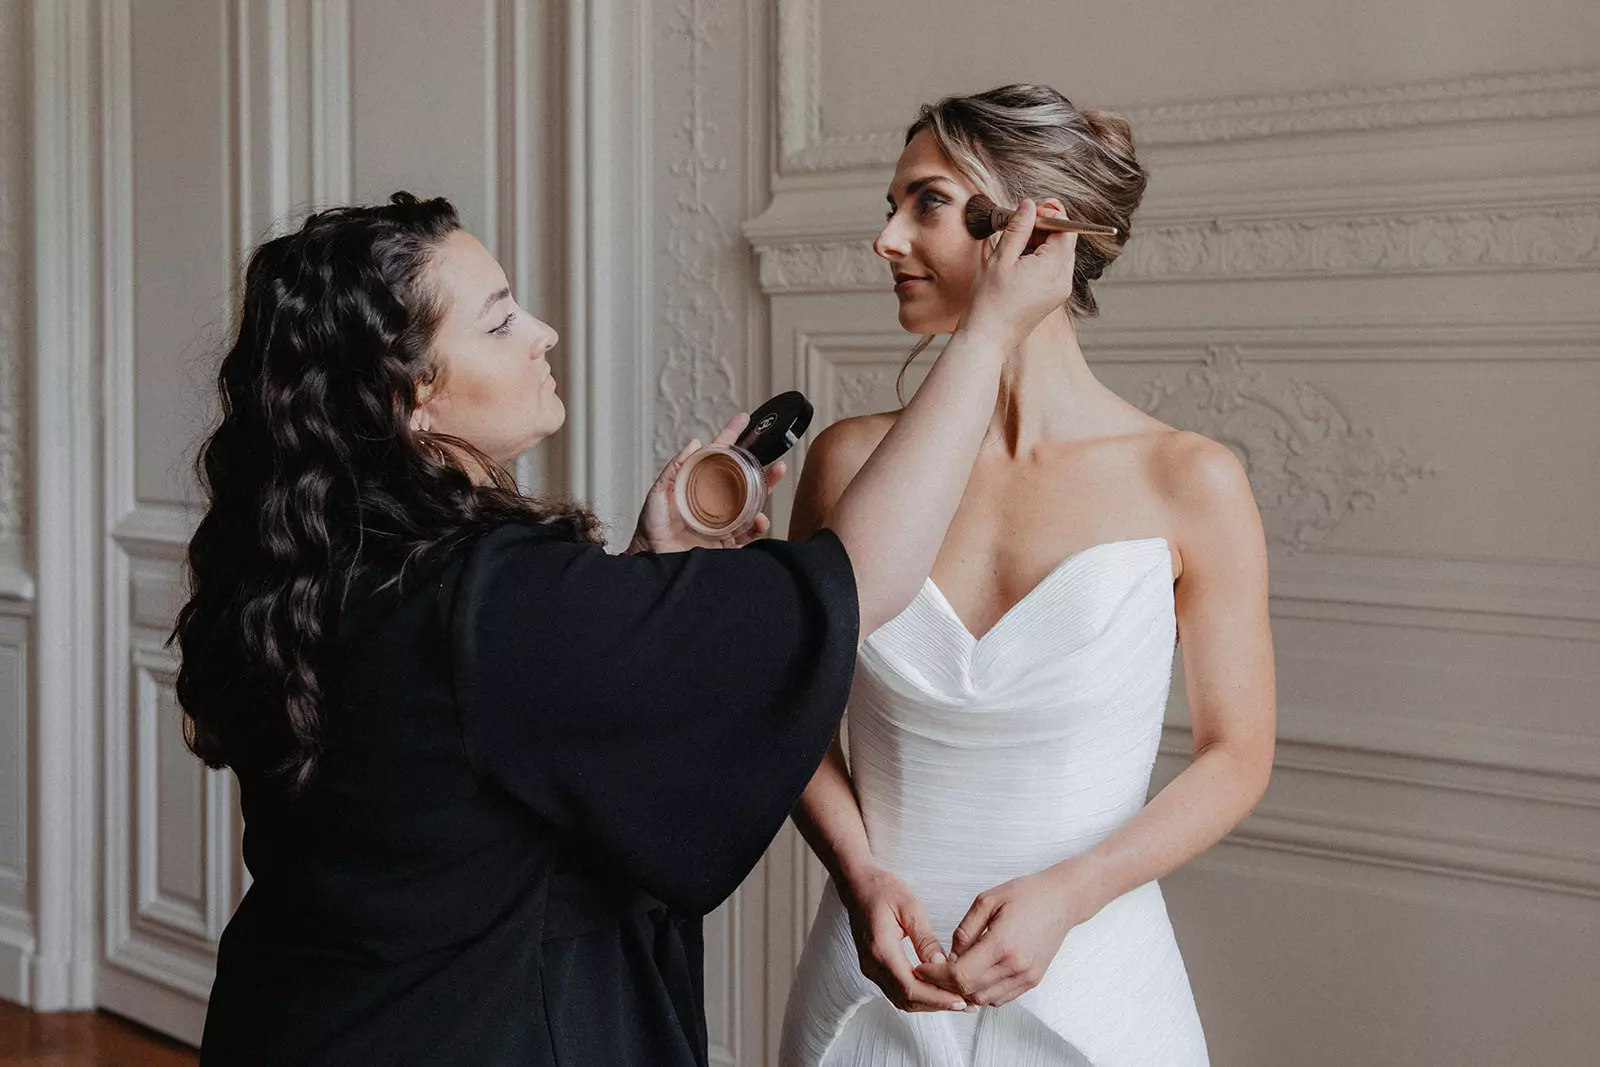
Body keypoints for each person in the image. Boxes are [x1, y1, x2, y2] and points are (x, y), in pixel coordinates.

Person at [176, 190, 1076, 1065]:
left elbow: (503, 722)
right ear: (413, 395)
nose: (543, 334)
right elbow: (859, 584)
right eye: (498, 323)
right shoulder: (490, 596)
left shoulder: (318, 557)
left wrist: (652, 563)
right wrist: (988, 331)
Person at [780, 85, 1277, 1067]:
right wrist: (860, 877)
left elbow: (1236, 753)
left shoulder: (1187, 479)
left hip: (1097, 983)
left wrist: (1073, 891)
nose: (885, 239)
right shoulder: (846, 465)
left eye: (922, 201)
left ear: (1038, 224)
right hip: (874, 978)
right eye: (893, 206)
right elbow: (789, 712)